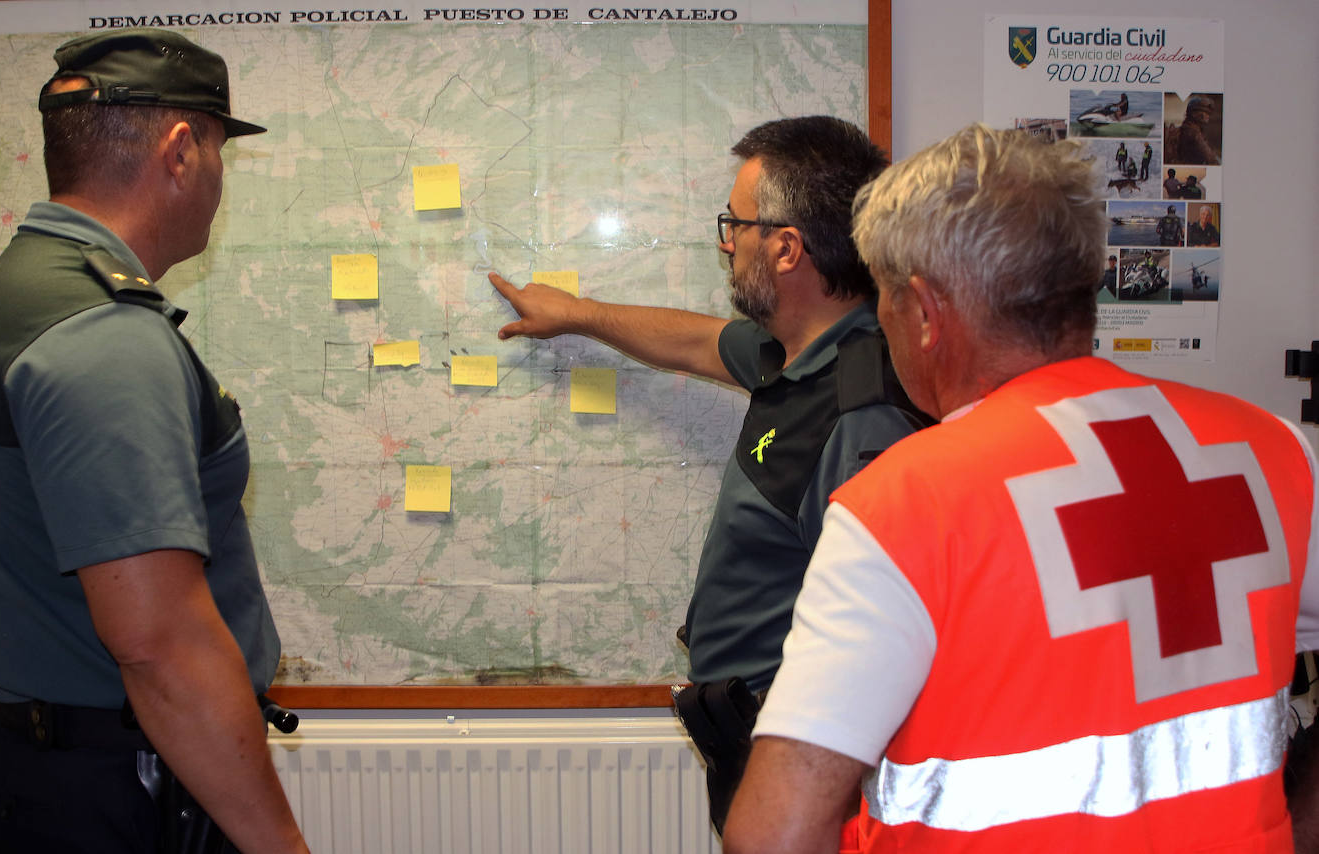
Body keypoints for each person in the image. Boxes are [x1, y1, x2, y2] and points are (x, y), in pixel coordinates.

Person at [723, 123, 1319, 853]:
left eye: (880, 296)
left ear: (924, 312)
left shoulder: (905, 504)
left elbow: (773, 837)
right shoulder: (1275, 453)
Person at [488, 116, 927, 833]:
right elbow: (693, 342)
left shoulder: (859, 412)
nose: (727, 243)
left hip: (805, 766)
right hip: (755, 742)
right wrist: (577, 315)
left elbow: (880, 639)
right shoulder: (794, 352)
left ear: (786, 249)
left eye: (736, 224)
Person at [0, 28, 309, 854]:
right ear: (182, 150)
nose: (221, 182)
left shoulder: (7, 295)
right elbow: (159, 644)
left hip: (32, 771)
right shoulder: (103, 334)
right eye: (220, 152)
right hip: (111, 791)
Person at [1174, 95, 1220, 165]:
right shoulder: (1192, 132)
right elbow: (1210, 158)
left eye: (1208, 113)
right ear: (1194, 113)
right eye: (1205, 112)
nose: (1208, 116)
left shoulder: (1191, 128)